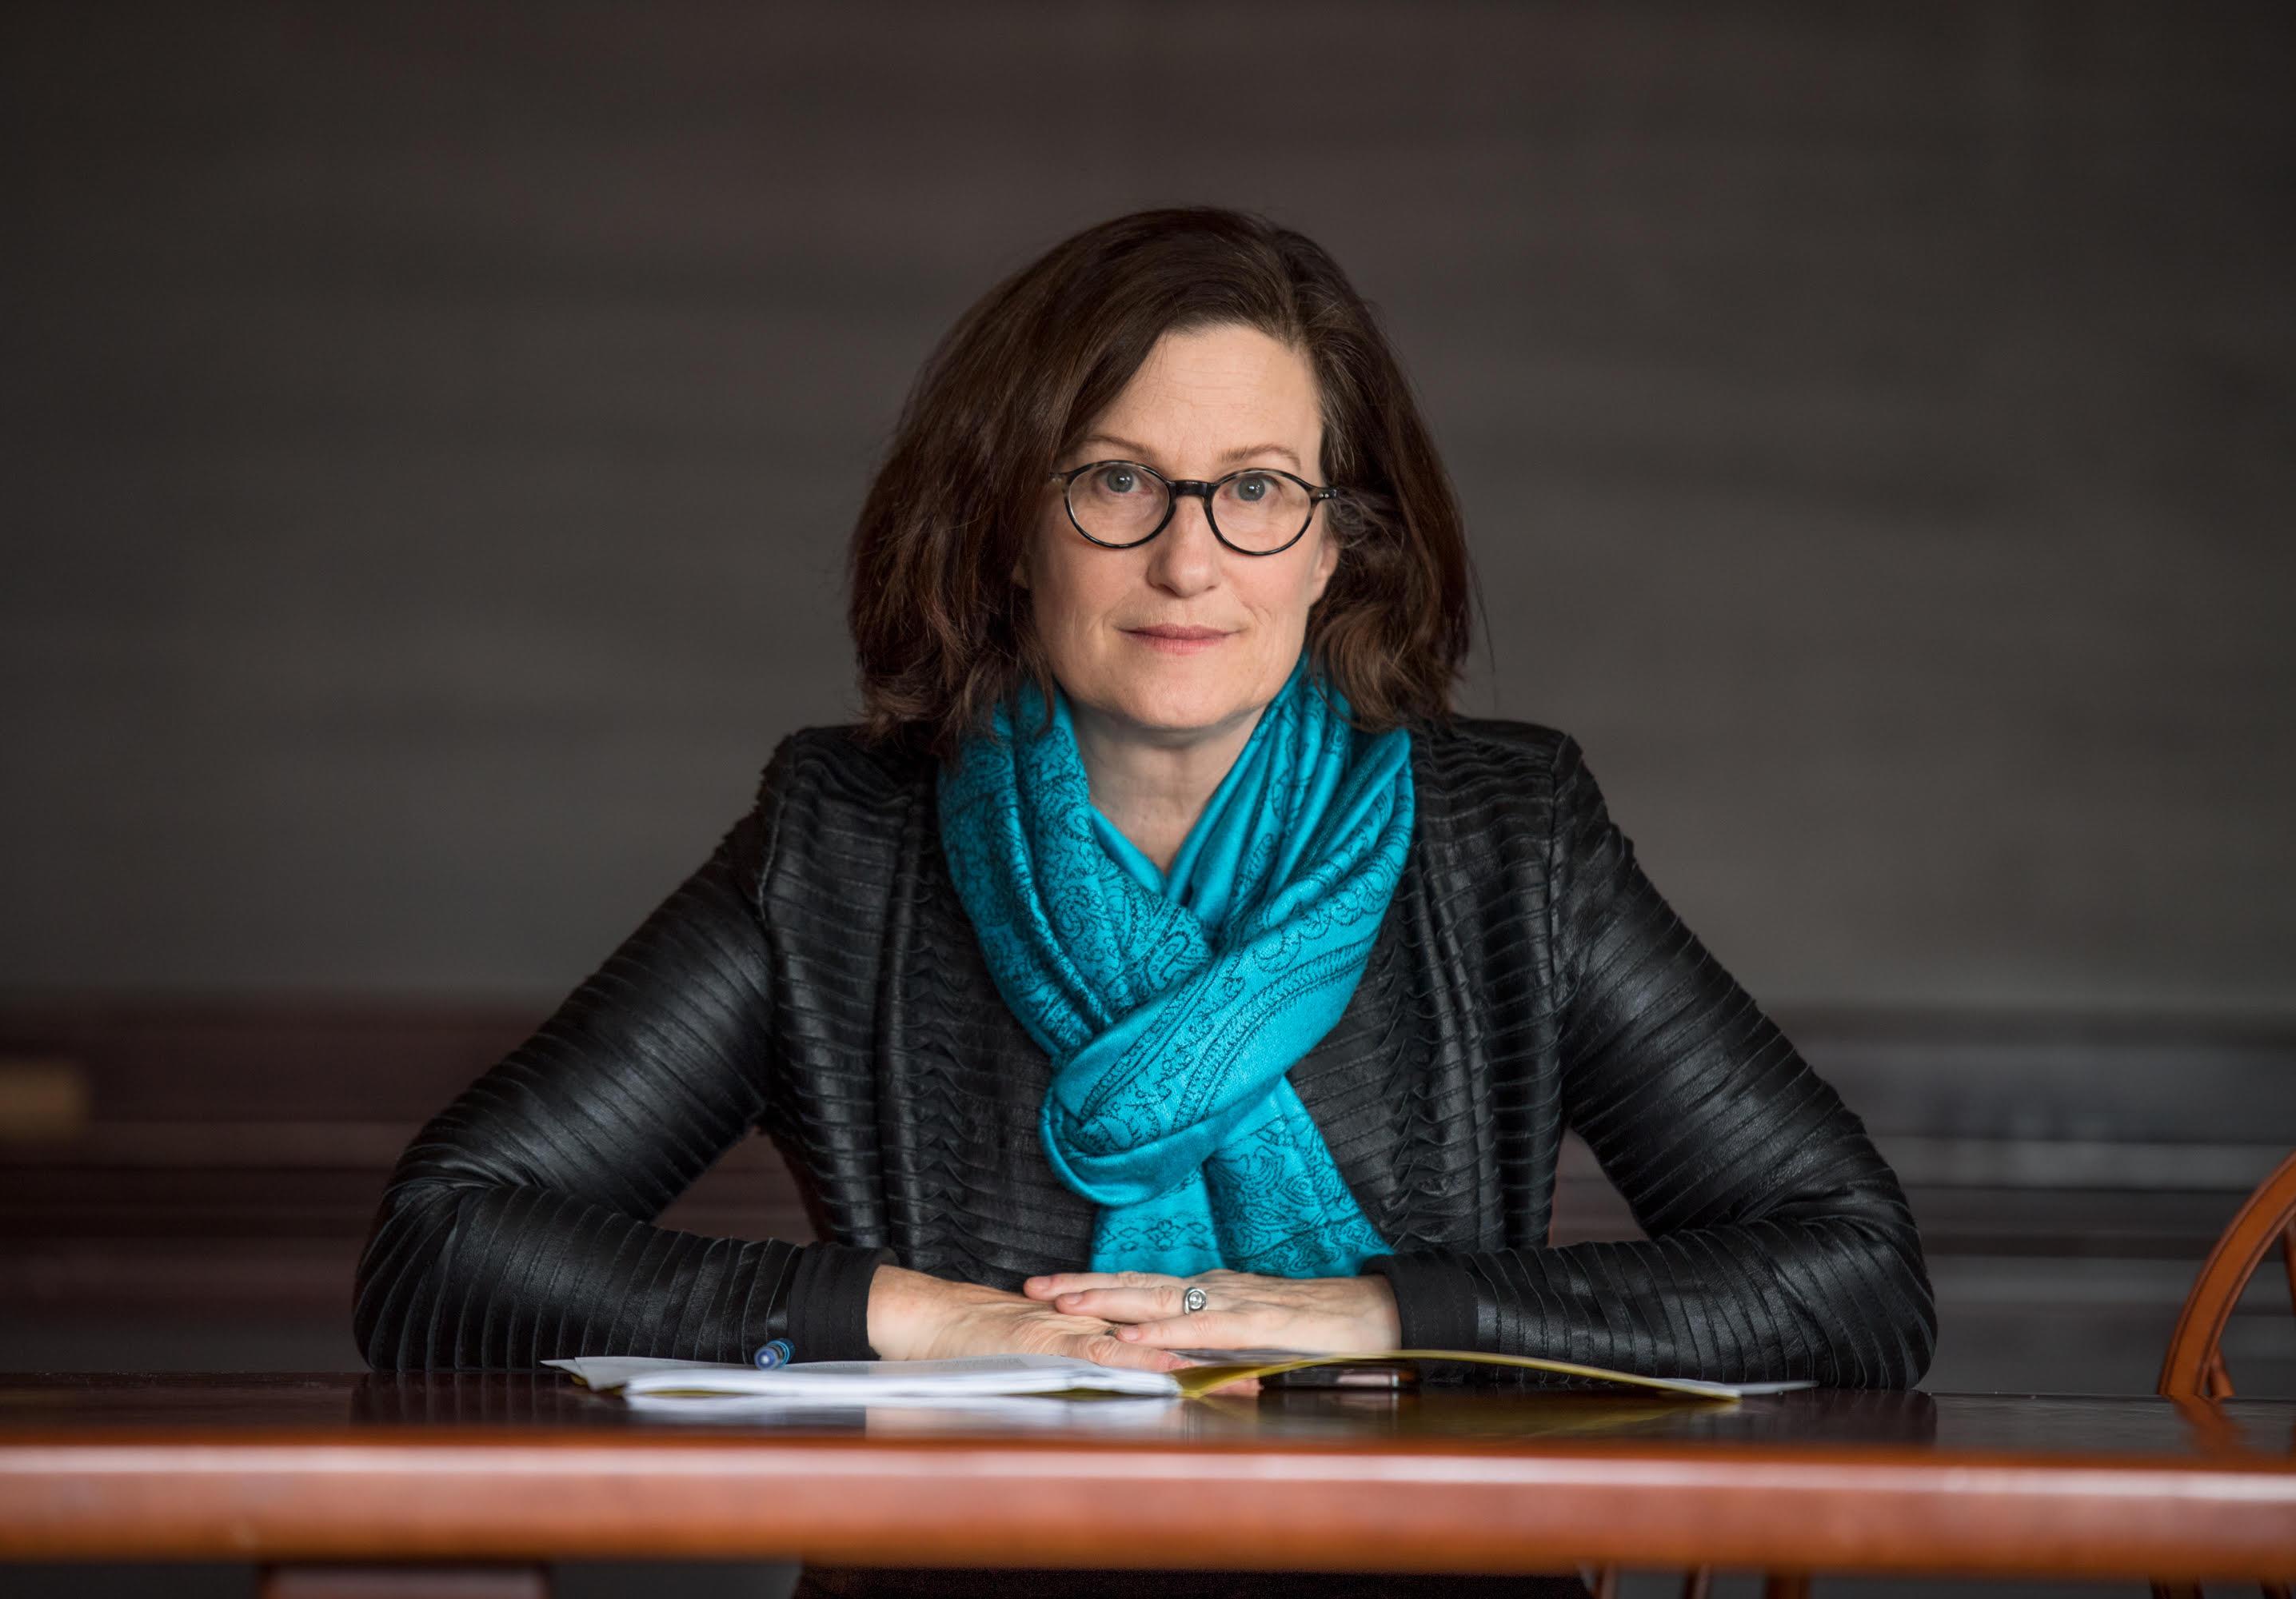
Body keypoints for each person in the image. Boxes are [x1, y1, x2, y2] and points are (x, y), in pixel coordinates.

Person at [352, 207, 1935, 1597]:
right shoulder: (838, 843)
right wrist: (910, 1319)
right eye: (1117, 480)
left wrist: (1388, 1318)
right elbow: (441, 1249)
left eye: (1256, 489)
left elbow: (1853, 1271)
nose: (1191, 560)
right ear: (1005, 530)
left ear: (1338, 548)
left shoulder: (1508, 839)